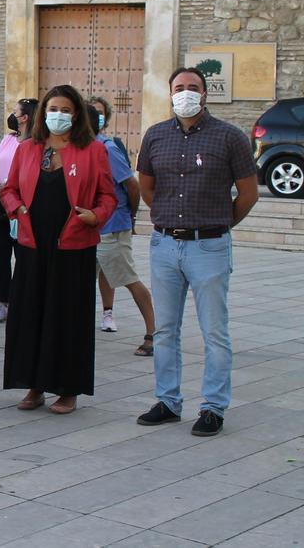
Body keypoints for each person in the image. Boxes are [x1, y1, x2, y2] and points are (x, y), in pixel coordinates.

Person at [135, 68, 259, 437]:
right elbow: (147, 189)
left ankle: (213, 406)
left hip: (209, 245)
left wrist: (218, 225)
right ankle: (168, 401)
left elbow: (248, 194)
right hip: (165, 245)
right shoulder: (156, 136)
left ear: (205, 94)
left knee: (214, 332)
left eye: (193, 88)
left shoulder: (230, 137)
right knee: (166, 329)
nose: (185, 93)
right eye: (179, 88)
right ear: (169, 93)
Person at [1, 85, 116, 415]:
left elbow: (109, 197)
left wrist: (96, 216)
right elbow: (8, 189)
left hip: (73, 244)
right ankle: (34, 385)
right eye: (53, 108)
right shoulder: (27, 149)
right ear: (43, 112)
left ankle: (68, 389)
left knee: (68, 316)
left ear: (76, 114)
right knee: (31, 314)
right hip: (32, 243)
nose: (58, 115)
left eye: (66, 110)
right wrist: (18, 209)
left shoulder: (93, 150)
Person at [89, 96, 156, 355]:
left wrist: (130, 217)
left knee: (127, 278)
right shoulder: (79, 147)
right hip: (89, 228)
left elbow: (131, 184)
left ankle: (152, 332)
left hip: (112, 226)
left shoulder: (106, 148)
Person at [0, 98, 38, 323]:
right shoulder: (8, 139)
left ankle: (23, 301)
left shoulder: (37, 144)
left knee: (24, 256)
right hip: (0, 206)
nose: (12, 115)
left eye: (15, 112)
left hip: (23, 207)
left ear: (25, 117)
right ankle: (3, 301)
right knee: (1, 255)